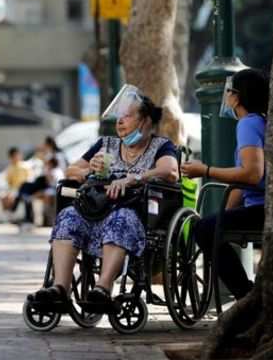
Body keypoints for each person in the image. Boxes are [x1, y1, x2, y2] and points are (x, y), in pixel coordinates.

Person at [28, 86, 178, 306]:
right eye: (118, 117)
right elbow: (71, 171)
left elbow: (170, 171)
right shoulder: (105, 144)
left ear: (145, 121)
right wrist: (89, 170)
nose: (119, 122)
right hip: (95, 209)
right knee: (68, 216)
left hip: (135, 213)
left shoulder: (160, 146)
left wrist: (134, 178)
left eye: (127, 116)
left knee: (121, 220)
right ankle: (60, 288)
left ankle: (103, 288)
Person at [181, 68, 269, 300]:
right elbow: (240, 184)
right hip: (257, 205)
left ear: (237, 97)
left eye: (229, 90)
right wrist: (225, 215)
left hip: (263, 209)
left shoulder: (248, 124)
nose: (226, 95)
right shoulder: (259, 121)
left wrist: (205, 170)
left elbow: (251, 174)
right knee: (211, 227)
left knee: (202, 229)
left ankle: (245, 295)